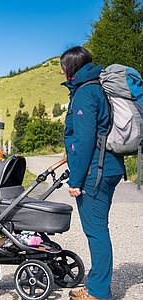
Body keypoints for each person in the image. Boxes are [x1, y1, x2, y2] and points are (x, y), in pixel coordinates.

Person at [60, 46, 125, 300]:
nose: (62, 71)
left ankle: (98, 291)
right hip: (107, 166)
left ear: (72, 68)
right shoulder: (95, 87)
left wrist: (75, 180)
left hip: (94, 172)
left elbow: (85, 139)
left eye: (64, 67)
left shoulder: (86, 92)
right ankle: (96, 285)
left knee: (96, 230)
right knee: (98, 228)